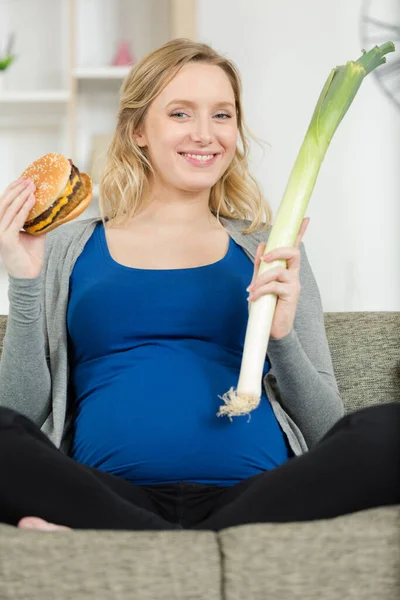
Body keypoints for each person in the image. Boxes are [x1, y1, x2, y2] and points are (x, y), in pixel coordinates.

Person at [0, 38, 398, 533]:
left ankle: (142, 545)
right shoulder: (69, 246)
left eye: (222, 115)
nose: (206, 135)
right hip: (106, 493)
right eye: (181, 114)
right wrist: (23, 281)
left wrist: (283, 337)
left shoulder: (267, 248)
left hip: (256, 498)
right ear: (138, 129)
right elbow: (17, 412)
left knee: (389, 429)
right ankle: (179, 543)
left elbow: (326, 426)